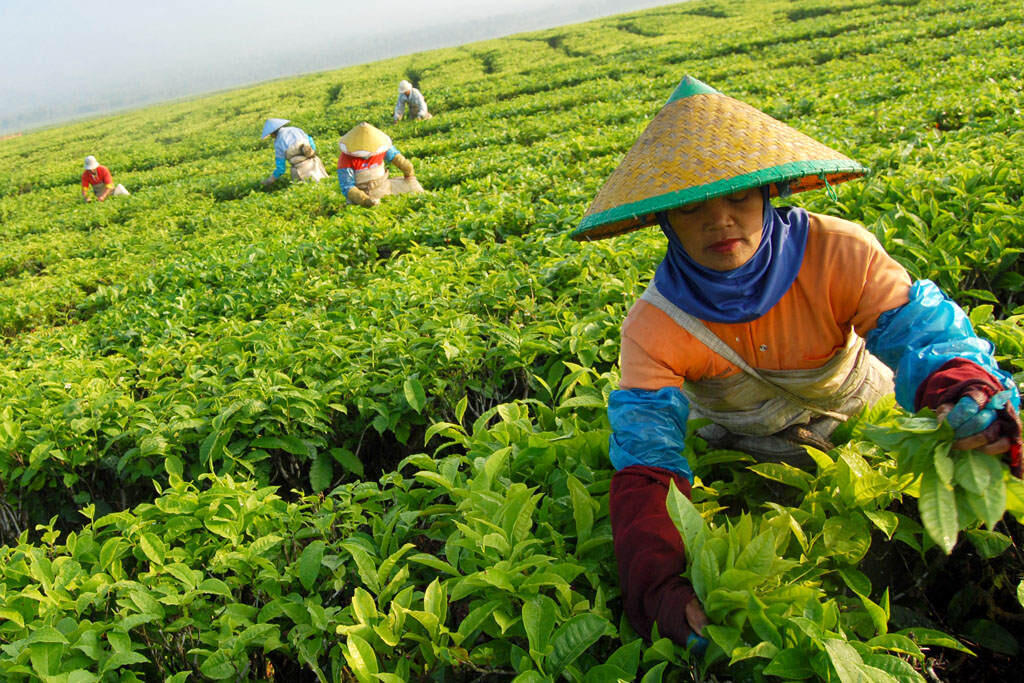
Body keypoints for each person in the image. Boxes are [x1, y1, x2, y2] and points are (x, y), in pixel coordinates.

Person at [570, 76, 1022, 651]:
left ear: (768, 192)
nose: (721, 221)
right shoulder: (655, 327)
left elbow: (921, 332)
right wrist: (659, 584)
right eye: (693, 206)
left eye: (738, 196)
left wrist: (961, 388)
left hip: (872, 424)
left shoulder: (839, 251)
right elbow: (647, 460)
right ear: (665, 221)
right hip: (758, 457)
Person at [336, 122, 424, 207]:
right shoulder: (345, 159)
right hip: (363, 191)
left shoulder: (380, 147)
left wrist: (408, 169)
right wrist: (364, 199)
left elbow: (397, 158)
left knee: (413, 187)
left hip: (383, 186)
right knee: (367, 206)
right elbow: (347, 187)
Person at [261, 118, 329, 185]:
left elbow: (281, 169)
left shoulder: (278, 142)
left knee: (307, 188)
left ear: (273, 133)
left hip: (300, 169)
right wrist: (311, 153)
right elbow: (311, 141)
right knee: (324, 184)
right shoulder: (295, 129)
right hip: (314, 162)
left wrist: (270, 180)